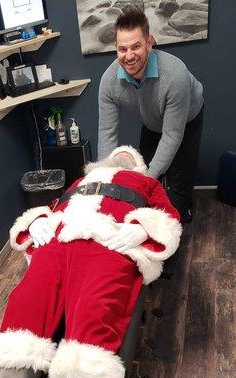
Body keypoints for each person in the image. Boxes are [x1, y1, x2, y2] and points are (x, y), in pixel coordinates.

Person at [0, 146, 182, 378]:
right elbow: (51, 208)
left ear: (138, 166)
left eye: (130, 154)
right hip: (58, 238)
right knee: (27, 304)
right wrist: (37, 220)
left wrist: (143, 228)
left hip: (108, 239)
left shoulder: (147, 183)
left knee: (95, 311)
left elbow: (169, 216)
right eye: (119, 151)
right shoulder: (80, 180)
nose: (123, 153)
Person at [98, 6, 204, 224]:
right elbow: (107, 132)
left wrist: (146, 180)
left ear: (149, 42)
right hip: (151, 119)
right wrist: (104, 177)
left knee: (178, 187)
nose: (129, 56)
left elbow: (172, 135)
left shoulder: (175, 75)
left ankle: (183, 213)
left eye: (136, 46)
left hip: (187, 118)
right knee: (144, 170)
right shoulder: (108, 82)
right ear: (116, 49)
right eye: (122, 49)